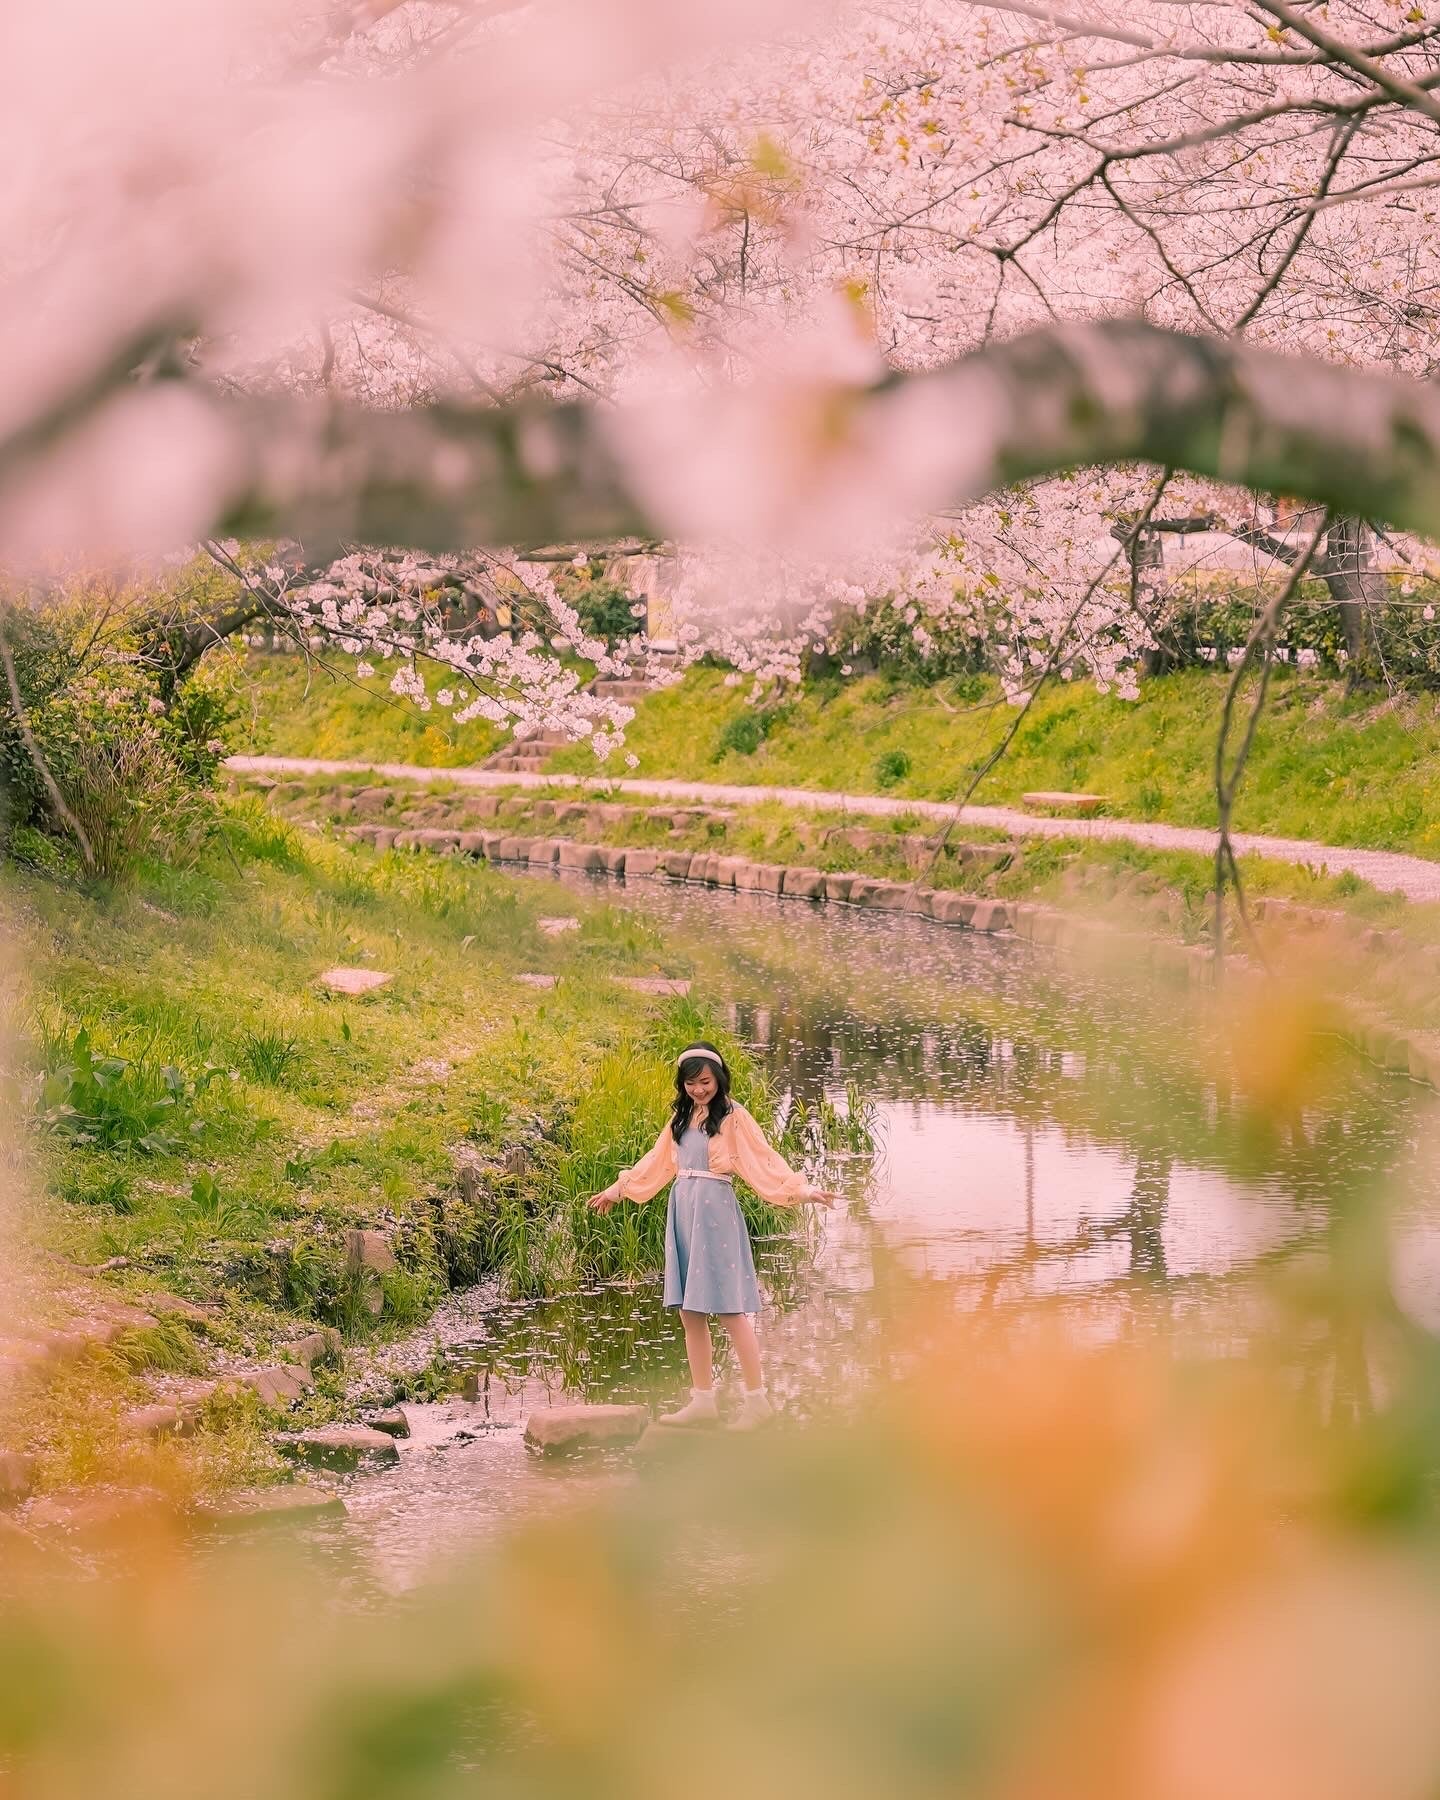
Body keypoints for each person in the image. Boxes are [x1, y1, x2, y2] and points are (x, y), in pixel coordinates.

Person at [589, 1041, 841, 1431]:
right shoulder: (681, 1115)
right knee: (690, 1312)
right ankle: (702, 1400)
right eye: (691, 1083)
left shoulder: (733, 1116)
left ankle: (757, 1402)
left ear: (718, 1079)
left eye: (705, 1082)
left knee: (729, 1311)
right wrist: (617, 1190)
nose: (699, 1090)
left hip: (715, 1212)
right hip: (684, 1210)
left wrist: (803, 1191)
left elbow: (764, 1160)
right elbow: (657, 1163)